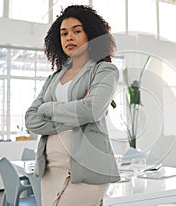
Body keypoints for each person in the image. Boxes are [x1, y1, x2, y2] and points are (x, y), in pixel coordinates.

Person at [25, 5, 120, 206]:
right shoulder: (53, 78)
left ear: (91, 35)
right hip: (50, 169)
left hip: (88, 168)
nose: (69, 37)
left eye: (77, 31)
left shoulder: (104, 71)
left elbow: (92, 110)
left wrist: (48, 110)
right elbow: (31, 119)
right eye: (64, 33)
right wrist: (76, 114)